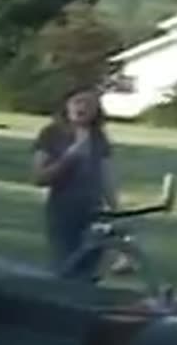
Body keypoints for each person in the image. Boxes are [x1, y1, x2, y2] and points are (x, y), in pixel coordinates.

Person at [31, 86, 120, 281]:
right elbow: (39, 177)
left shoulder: (98, 137)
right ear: (67, 105)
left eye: (90, 104)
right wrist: (69, 157)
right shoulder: (51, 133)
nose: (83, 107)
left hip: (93, 210)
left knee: (91, 267)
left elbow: (106, 175)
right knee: (66, 264)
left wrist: (116, 210)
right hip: (63, 209)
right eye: (78, 101)